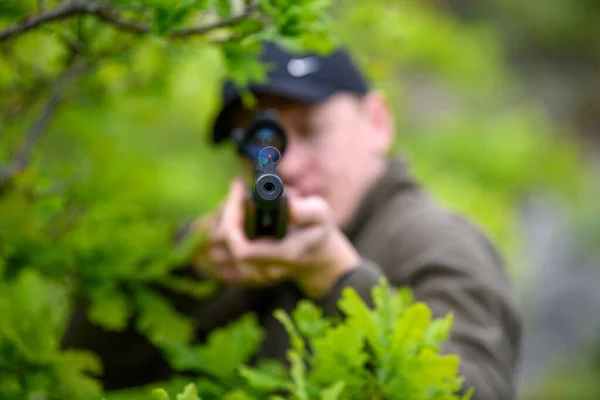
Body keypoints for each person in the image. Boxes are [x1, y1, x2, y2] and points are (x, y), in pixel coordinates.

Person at [61, 41, 522, 399]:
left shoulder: (438, 244)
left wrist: (336, 279)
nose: (286, 165)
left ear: (377, 122)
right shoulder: (235, 254)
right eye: (259, 146)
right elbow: (83, 364)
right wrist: (188, 267)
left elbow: (473, 391)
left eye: (309, 130)